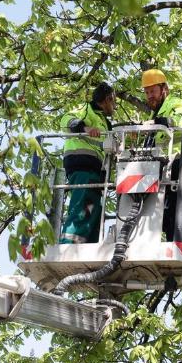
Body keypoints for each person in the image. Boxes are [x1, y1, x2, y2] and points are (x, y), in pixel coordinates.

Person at [141, 69, 182, 241]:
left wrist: (165, 122)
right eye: (147, 92)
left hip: (179, 164)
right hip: (160, 167)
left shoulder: (177, 105)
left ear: (164, 89)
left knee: (174, 212)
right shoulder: (155, 114)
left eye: (153, 91)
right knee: (155, 212)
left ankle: (174, 243)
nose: (150, 96)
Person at [58, 82, 115, 244]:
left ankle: (87, 245)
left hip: (95, 170)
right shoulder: (86, 109)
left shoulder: (104, 121)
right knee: (82, 206)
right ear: (108, 99)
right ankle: (68, 246)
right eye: (114, 101)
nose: (115, 106)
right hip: (82, 163)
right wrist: (85, 128)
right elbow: (66, 120)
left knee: (93, 210)